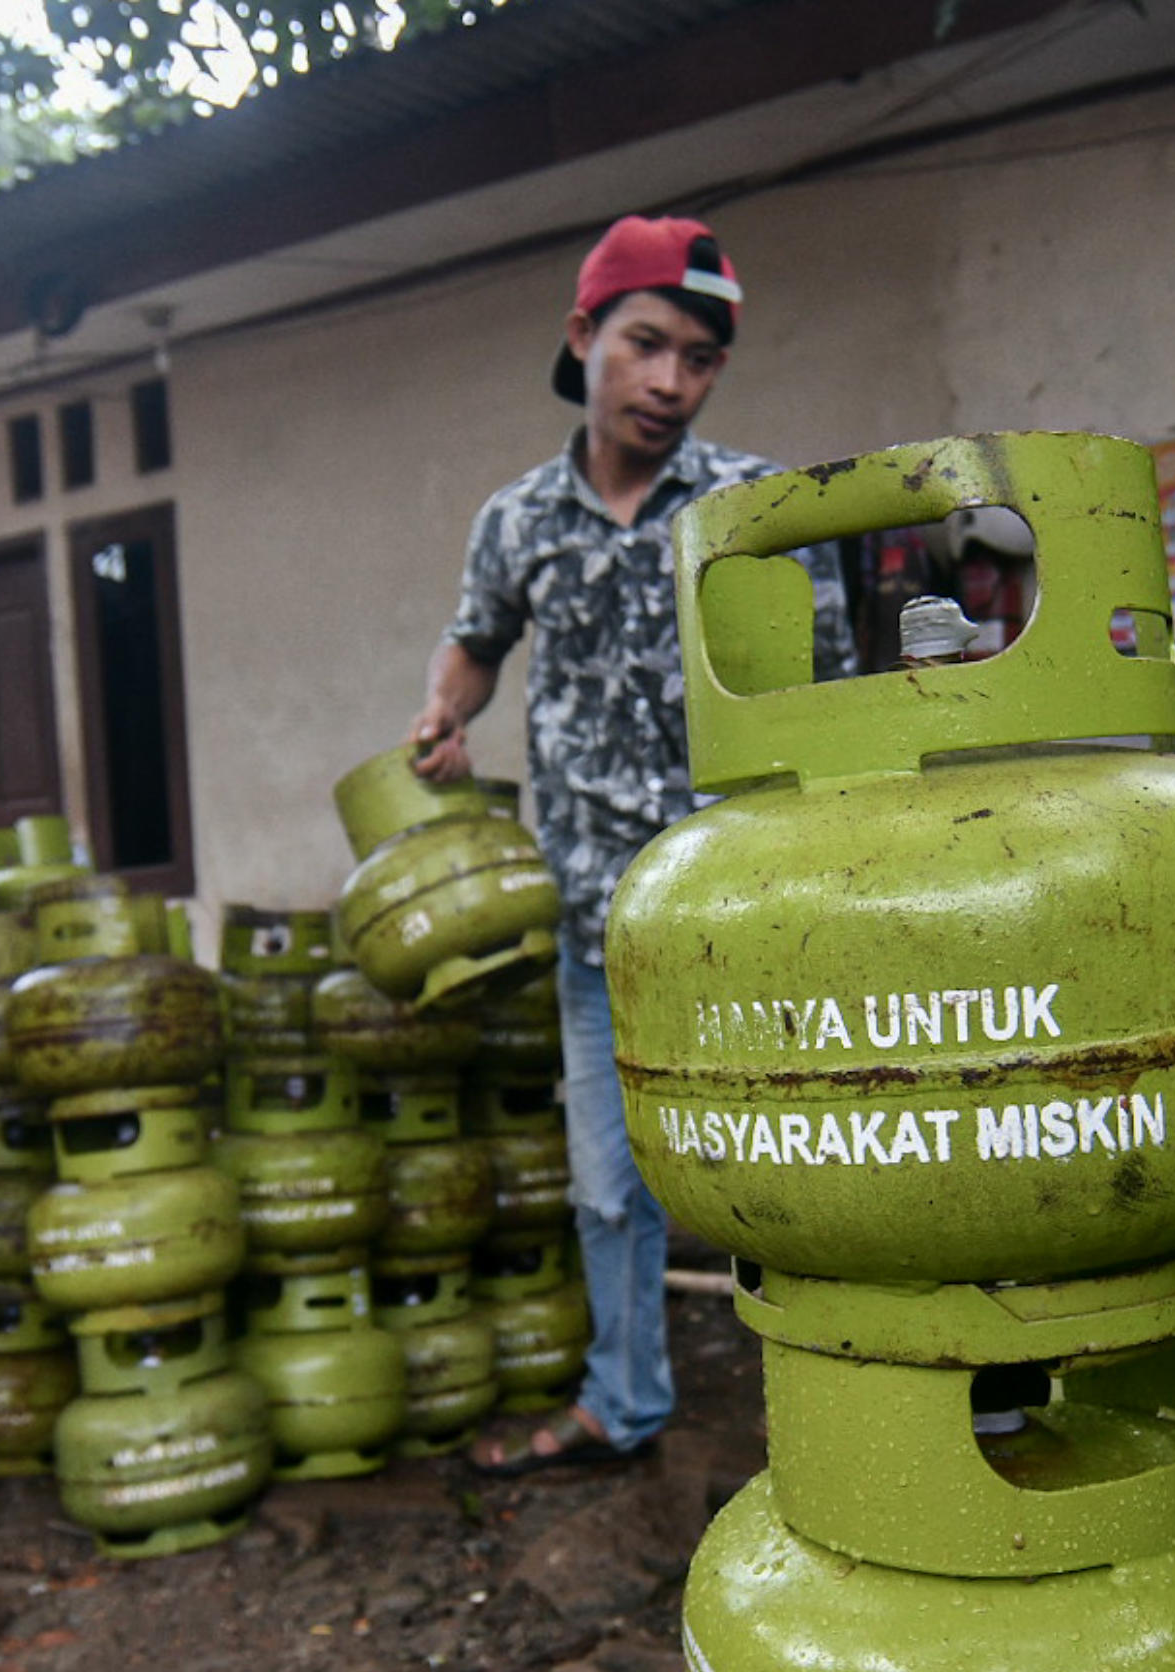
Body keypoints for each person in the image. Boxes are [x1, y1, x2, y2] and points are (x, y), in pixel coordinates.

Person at [409, 213, 849, 1473]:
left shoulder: (752, 510)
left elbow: (823, 690)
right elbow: (478, 639)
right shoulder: (517, 520)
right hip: (596, 909)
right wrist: (445, 708)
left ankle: (836, 1405)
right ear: (583, 335)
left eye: (700, 359)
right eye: (646, 344)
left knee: (795, 1163)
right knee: (610, 1183)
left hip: (745, 907)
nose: (669, 381)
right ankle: (627, 1398)